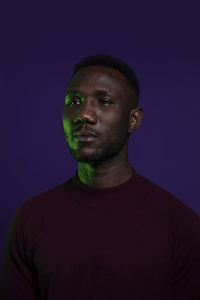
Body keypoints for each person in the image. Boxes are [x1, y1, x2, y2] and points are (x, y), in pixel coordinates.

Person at [1, 54, 200, 300]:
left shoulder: (181, 225)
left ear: (133, 119)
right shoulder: (30, 219)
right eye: (74, 100)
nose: (83, 115)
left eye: (104, 102)